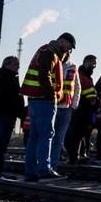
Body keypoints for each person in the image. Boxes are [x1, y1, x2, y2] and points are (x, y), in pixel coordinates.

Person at [21, 32, 76, 181]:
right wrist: (52, 95)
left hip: (35, 99)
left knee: (35, 135)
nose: (68, 50)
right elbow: (44, 75)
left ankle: (31, 171)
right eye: (69, 46)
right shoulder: (50, 53)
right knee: (47, 134)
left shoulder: (46, 51)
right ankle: (44, 170)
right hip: (44, 100)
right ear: (62, 42)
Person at [65, 54, 99, 164]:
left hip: (87, 111)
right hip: (79, 110)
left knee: (82, 134)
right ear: (86, 62)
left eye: (95, 64)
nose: (93, 66)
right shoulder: (78, 75)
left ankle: (80, 155)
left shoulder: (89, 77)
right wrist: (87, 102)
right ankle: (73, 157)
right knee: (76, 134)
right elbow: (76, 92)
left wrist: (94, 103)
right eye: (92, 63)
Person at [50, 57, 77, 172]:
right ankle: (45, 166)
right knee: (48, 137)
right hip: (53, 105)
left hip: (66, 108)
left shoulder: (72, 66)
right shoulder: (52, 63)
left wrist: (73, 105)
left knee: (59, 140)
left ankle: (53, 167)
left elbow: (77, 86)